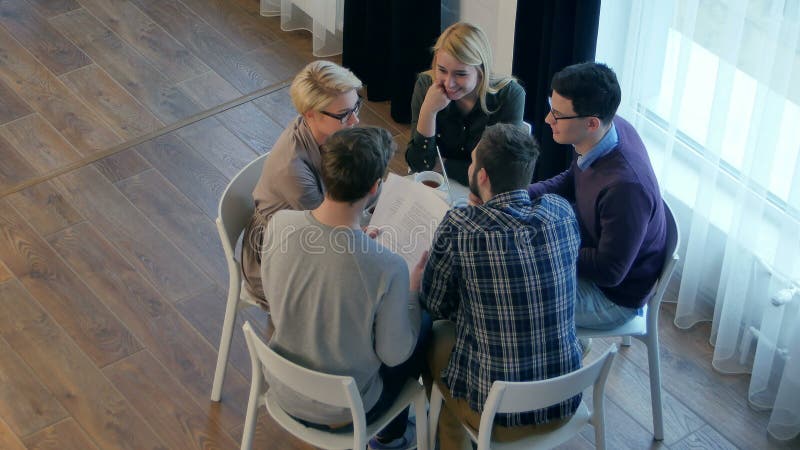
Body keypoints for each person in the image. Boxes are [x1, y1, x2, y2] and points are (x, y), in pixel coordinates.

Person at [260, 126, 429, 450]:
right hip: (345, 411)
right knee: (421, 323)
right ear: (375, 187)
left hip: (282, 387)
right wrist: (410, 292)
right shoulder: (388, 266)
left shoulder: (279, 225)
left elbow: (279, 293)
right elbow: (394, 356)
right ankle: (389, 439)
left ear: (325, 174)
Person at [421, 123, 583, 450]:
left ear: (482, 177)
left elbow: (433, 303)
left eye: (471, 162)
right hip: (566, 400)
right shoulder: (561, 212)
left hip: (499, 416)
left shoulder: (460, 226)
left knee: (430, 338)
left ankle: (450, 438)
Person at [527, 62, 667, 330]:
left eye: (557, 114)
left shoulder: (626, 189)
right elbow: (571, 179)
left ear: (591, 123)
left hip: (613, 297)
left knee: (513, 297)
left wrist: (547, 244)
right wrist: (519, 195)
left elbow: (609, 272)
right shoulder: (603, 133)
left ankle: (567, 354)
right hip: (593, 244)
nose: (547, 120)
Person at [242, 60, 363, 305]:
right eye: (344, 115)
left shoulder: (323, 132)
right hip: (276, 254)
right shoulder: (293, 169)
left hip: (308, 230)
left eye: (356, 107)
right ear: (311, 114)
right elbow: (328, 231)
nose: (355, 121)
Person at [405, 22, 526, 185]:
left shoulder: (510, 96)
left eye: (460, 74)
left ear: (481, 71)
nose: (449, 83)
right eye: (441, 70)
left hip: (482, 194)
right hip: (439, 187)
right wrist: (428, 111)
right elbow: (419, 164)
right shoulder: (426, 85)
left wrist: (444, 165)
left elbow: (501, 174)